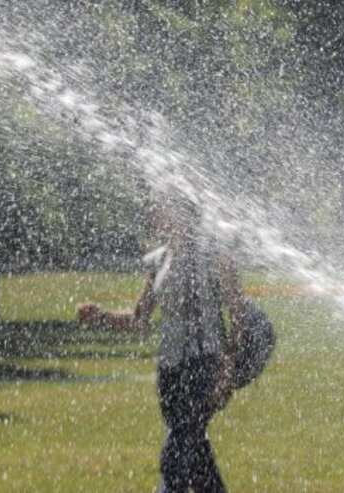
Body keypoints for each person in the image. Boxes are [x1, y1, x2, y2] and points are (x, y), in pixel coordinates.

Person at [78, 195, 247, 492]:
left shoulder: (214, 253)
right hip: (170, 371)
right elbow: (138, 318)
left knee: (176, 455)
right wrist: (101, 315)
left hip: (206, 364)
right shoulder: (159, 261)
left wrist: (228, 368)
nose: (151, 212)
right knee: (194, 454)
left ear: (179, 208)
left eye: (157, 206)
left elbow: (237, 311)